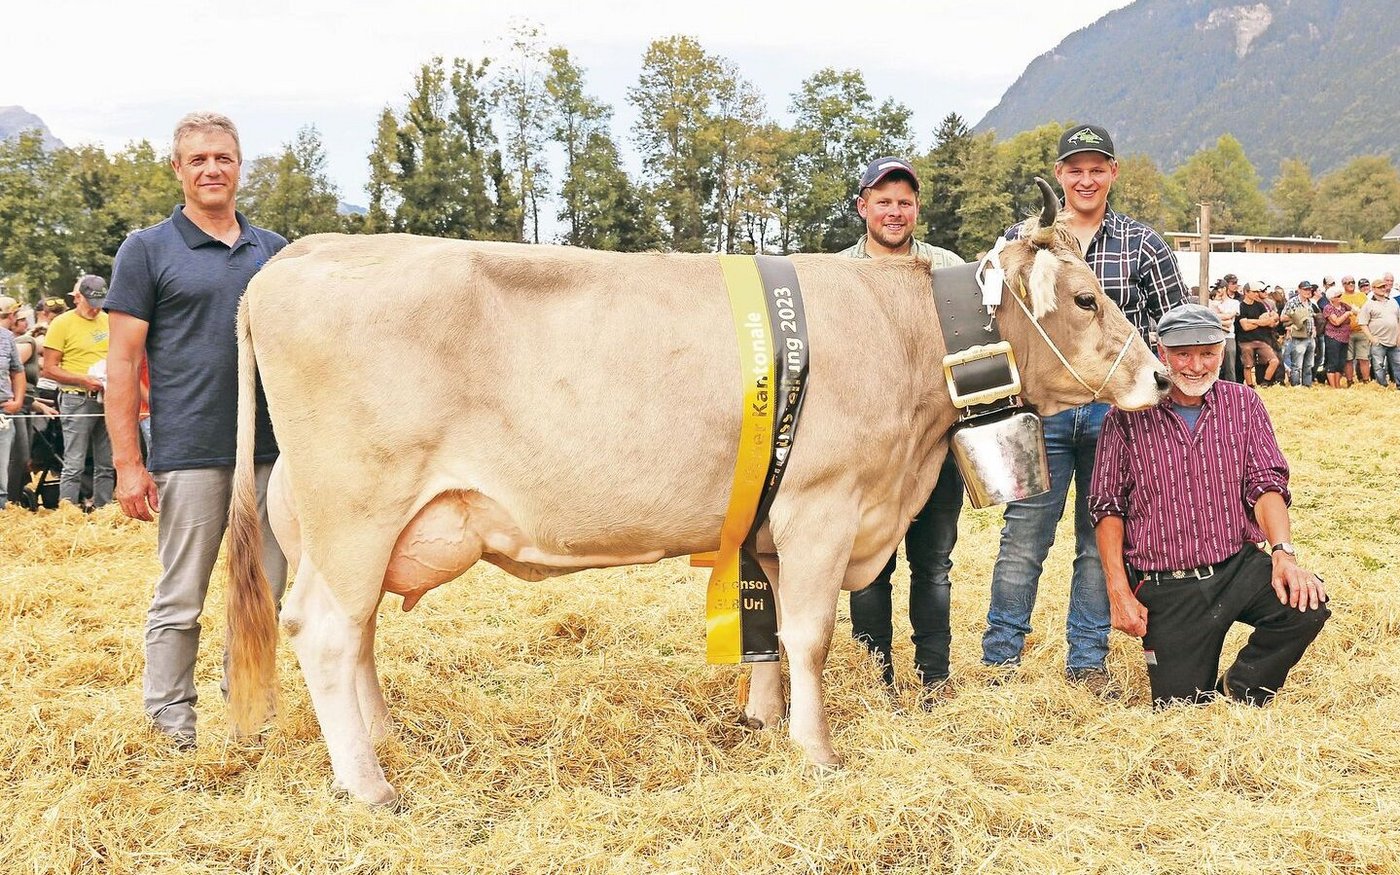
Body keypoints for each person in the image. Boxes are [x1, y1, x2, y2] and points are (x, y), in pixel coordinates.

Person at [104, 110, 289, 749]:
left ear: (240, 166)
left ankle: (250, 719)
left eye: (224, 158)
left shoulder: (275, 253)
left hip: (271, 454)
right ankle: (171, 727)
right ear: (178, 169)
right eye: (199, 159)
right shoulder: (147, 249)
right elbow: (123, 364)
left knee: (264, 594)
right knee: (181, 597)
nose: (213, 169)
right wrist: (129, 463)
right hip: (189, 451)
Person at [980, 123, 1188, 692]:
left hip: (1117, 415)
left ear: (1113, 173)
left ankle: (1087, 664)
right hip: (1037, 412)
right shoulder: (1022, 242)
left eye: (1098, 168)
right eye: (1076, 169)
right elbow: (990, 313)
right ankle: (1000, 662)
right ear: (1059, 175)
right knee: (1022, 538)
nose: (1086, 178)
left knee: (1101, 541)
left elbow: (1174, 327)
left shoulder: (1145, 244)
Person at [1089, 304, 1329, 707]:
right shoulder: (1126, 417)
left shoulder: (1243, 404)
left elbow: (1266, 483)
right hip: (1168, 584)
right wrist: (1118, 589)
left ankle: (1240, 691)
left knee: (1307, 605)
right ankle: (1197, 692)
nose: (1196, 365)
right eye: (1183, 353)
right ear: (1161, 351)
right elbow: (1108, 506)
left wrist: (1283, 554)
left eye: (1208, 353)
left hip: (1236, 565)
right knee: (1182, 712)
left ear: (1222, 350)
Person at [839, 156, 966, 696]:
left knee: (933, 565)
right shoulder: (836, 275)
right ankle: (876, 679)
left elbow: (973, 349)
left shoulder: (948, 269)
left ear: (917, 209)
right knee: (869, 565)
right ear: (863, 207)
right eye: (884, 202)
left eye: (905, 202)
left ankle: (933, 676)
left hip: (934, 443)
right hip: (864, 451)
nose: (895, 212)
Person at [41, 275, 114, 508]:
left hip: (107, 397)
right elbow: (49, 369)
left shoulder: (109, 320)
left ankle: (104, 509)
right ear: (77, 298)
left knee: (106, 461)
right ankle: (68, 511)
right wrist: (82, 379)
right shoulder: (61, 323)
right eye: (91, 303)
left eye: (100, 303)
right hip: (77, 398)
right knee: (74, 461)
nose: (96, 309)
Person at [0, 297, 26, 508]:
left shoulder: (7, 337)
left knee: (1, 472)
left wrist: (18, 400)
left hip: (3, 410)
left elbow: (17, 371)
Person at [1235, 281, 1279, 388]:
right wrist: (1259, 322)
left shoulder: (1260, 305)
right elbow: (1245, 327)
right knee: (1248, 365)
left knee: (1274, 361)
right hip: (1245, 341)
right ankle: (1250, 386)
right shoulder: (1241, 306)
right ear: (1246, 292)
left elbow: (1268, 322)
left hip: (1260, 340)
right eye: (1254, 292)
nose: (1256, 294)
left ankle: (1265, 382)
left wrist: (1251, 321)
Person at [1358, 277, 1400, 388]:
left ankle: (1399, 385)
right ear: (1373, 289)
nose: (1383, 288)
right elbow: (1362, 323)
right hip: (1378, 341)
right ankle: (1382, 386)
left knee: (1398, 364)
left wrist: (1399, 336)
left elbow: (1399, 319)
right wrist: (1371, 338)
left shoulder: (1392, 301)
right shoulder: (1368, 304)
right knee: (1378, 366)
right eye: (1380, 287)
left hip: (1394, 340)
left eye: (1384, 286)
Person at [1281, 281, 1318, 387]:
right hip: (1298, 336)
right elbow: (1282, 317)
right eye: (1305, 289)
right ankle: (1296, 385)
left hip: (1310, 336)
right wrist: (1296, 315)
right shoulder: (1292, 302)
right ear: (1299, 290)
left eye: (1309, 289)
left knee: (1309, 364)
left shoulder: (1310, 303)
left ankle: (1307, 384)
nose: (1308, 291)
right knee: (1297, 365)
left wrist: (1314, 329)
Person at [1339, 276, 1371, 384]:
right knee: (1348, 359)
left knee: (1364, 358)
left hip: (1362, 331)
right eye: (1348, 283)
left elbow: (1368, 310)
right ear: (1343, 285)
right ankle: (1349, 381)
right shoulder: (1340, 297)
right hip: (1346, 332)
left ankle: (1366, 380)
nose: (1351, 284)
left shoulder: (1362, 296)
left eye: (1352, 282)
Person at [1321, 285, 1354, 389]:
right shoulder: (1328, 308)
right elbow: (1336, 322)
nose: (1340, 297)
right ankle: (1333, 386)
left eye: (1340, 295)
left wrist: (1349, 309)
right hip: (1333, 338)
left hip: (1345, 338)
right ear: (1331, 298)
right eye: (1338, 296)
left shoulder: (1344, 306)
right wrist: (1347, 314)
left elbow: (1355, 310)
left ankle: (1338, 385)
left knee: (1341, 362)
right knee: (1333, 362)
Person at [1208, 279, 1239, 383]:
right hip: (1215, 336)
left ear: (1224, 288)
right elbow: (1210, 317)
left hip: (1228, 336)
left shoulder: (1234, 302)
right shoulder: (1213, 303)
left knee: (1230, 367)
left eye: (1219, 288)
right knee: (1214, 366)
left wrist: (1216, 315)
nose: (1217, 291)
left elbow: (1229, 318)